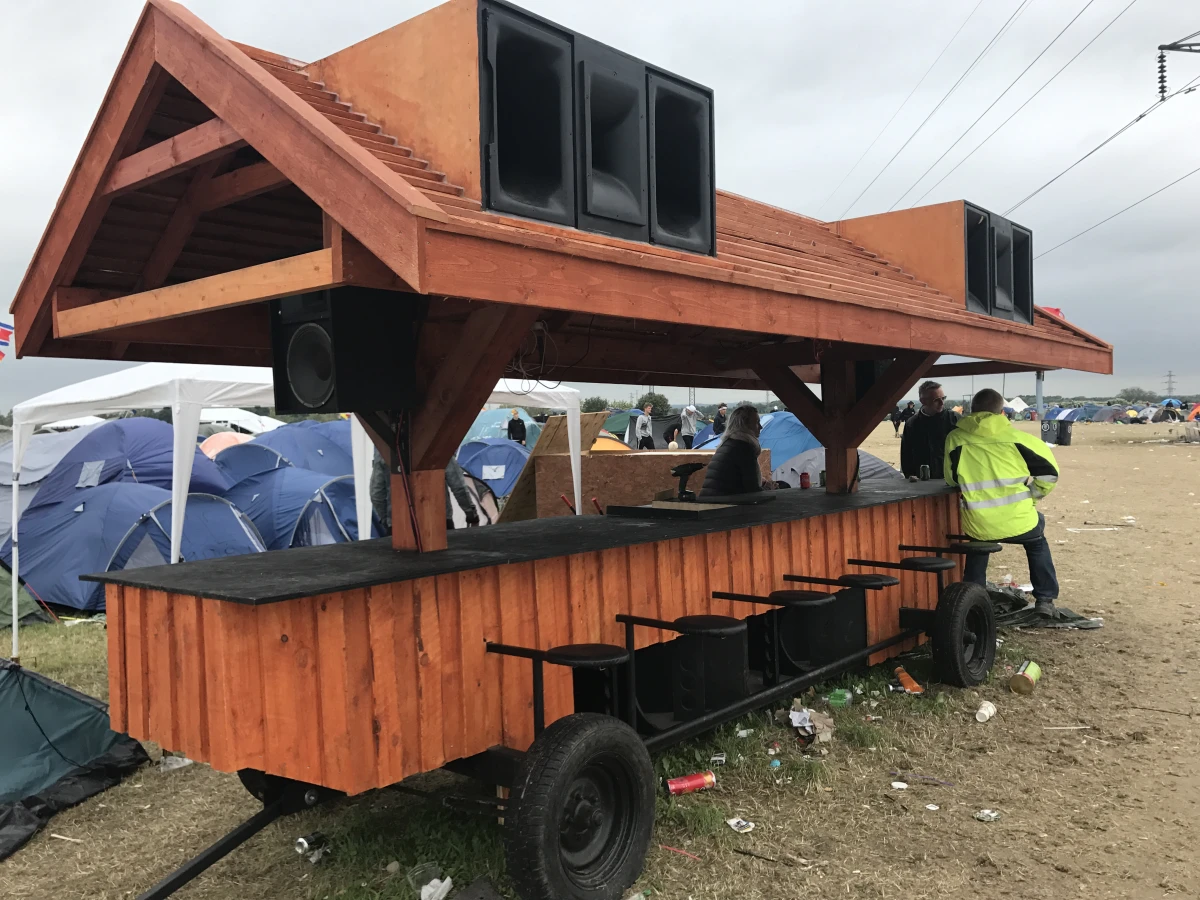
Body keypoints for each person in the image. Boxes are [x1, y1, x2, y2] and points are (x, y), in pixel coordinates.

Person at [946, 388, 1060, 617]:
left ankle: (972, 604)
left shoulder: (955, 438)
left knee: (978, 551)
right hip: (1019, 520)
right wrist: (1032, 495)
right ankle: (1045, 600)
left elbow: (951, 479)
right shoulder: (1020, 439)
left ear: (971, 410)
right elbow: (1050, 474)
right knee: (1037, 543)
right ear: (1002, 412)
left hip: (978, 522)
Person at [370, 453, 479, 536]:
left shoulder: (384, 451)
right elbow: (458, 486)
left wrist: (387, 522)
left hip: (398, 524)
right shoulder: (440, 447)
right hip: (439, 521)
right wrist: (471, 514)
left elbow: (376, 494)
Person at [698, 406, 775, 498]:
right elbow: (753, 491)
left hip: (711, 501)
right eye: (757, 422)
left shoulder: (728, 443)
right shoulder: (744, 448)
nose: (761, 427)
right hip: (724, 505)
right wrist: (769, 489)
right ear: (745, 425)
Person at [901, 383, 956, 479]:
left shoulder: (955, 420)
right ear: (923, 401)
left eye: (943, 398)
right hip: (922, 483)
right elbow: (906, 455)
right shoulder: (912, 424)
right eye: (936, 400)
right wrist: (909, 476)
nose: (942, 403)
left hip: (951, 482)